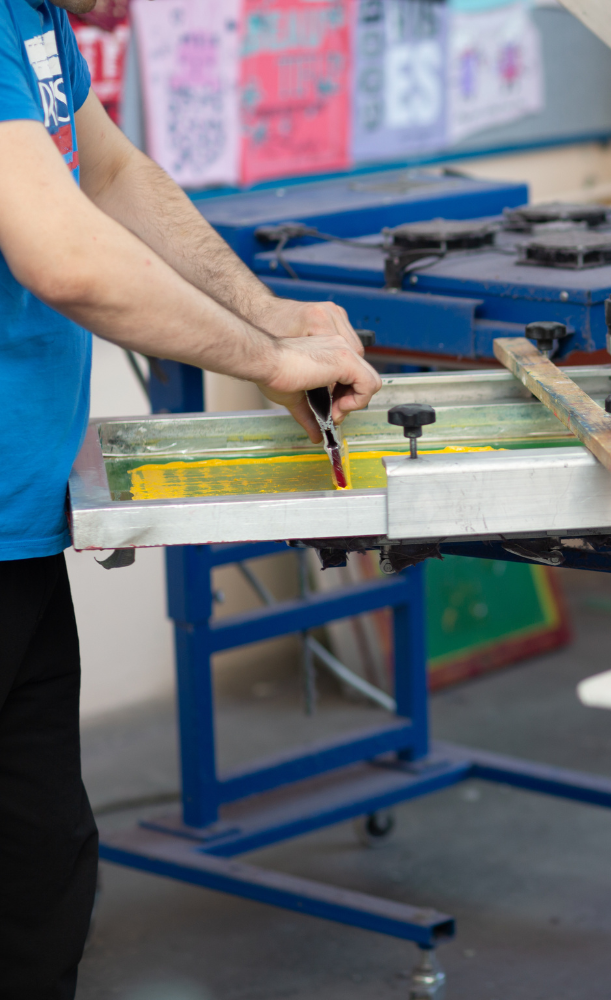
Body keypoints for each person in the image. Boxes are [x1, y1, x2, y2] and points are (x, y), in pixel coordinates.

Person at [0, 2, 381, 996]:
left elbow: (114, 175)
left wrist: (272, 316)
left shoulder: (35, 14)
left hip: (17, 530)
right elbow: (67, 255)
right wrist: (264, 357)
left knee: (40, 870)